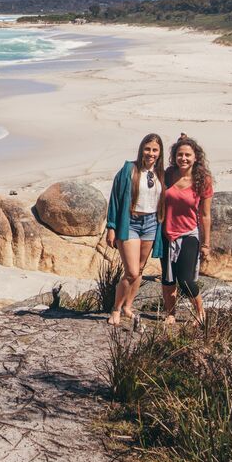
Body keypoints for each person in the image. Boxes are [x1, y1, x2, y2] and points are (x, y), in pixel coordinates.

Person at [105, 134, 166, 326]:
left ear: (159, 153)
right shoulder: (128, 170)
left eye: (155, 150)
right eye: (147, 149)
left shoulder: (162, 174)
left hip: (151, 223)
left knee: (139, 269)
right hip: (130, 222)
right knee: (130, 271)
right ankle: (115, 308)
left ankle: (128, 307)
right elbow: (115, 198)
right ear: (141, 149)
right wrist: (111, 227)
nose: (151, 153)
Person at [160, 136, 213, 326]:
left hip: (189, 234)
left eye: (187, 155)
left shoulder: (202, 180)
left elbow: (205, 215)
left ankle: (200, 311)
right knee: (168, 279)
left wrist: (206, 244)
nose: (183, 158)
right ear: (174, 157)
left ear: (196, 157)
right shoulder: (167, 174)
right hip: (166, 234)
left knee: (185, 279)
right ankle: (170, 314)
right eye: (180, 154)